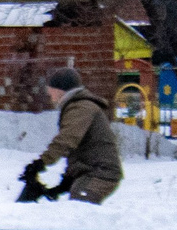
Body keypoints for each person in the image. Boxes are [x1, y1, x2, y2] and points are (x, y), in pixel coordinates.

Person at [22, 69, 125, 204]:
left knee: (80, 208)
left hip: (100, 173)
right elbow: (79, 150)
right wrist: (65, 183)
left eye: (50, 89)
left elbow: (66, 140)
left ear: (60, 90)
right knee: (77, 207)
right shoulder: (78, 106)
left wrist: (41, 163)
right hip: (92, 171)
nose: (48, 94)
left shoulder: (81, 107)